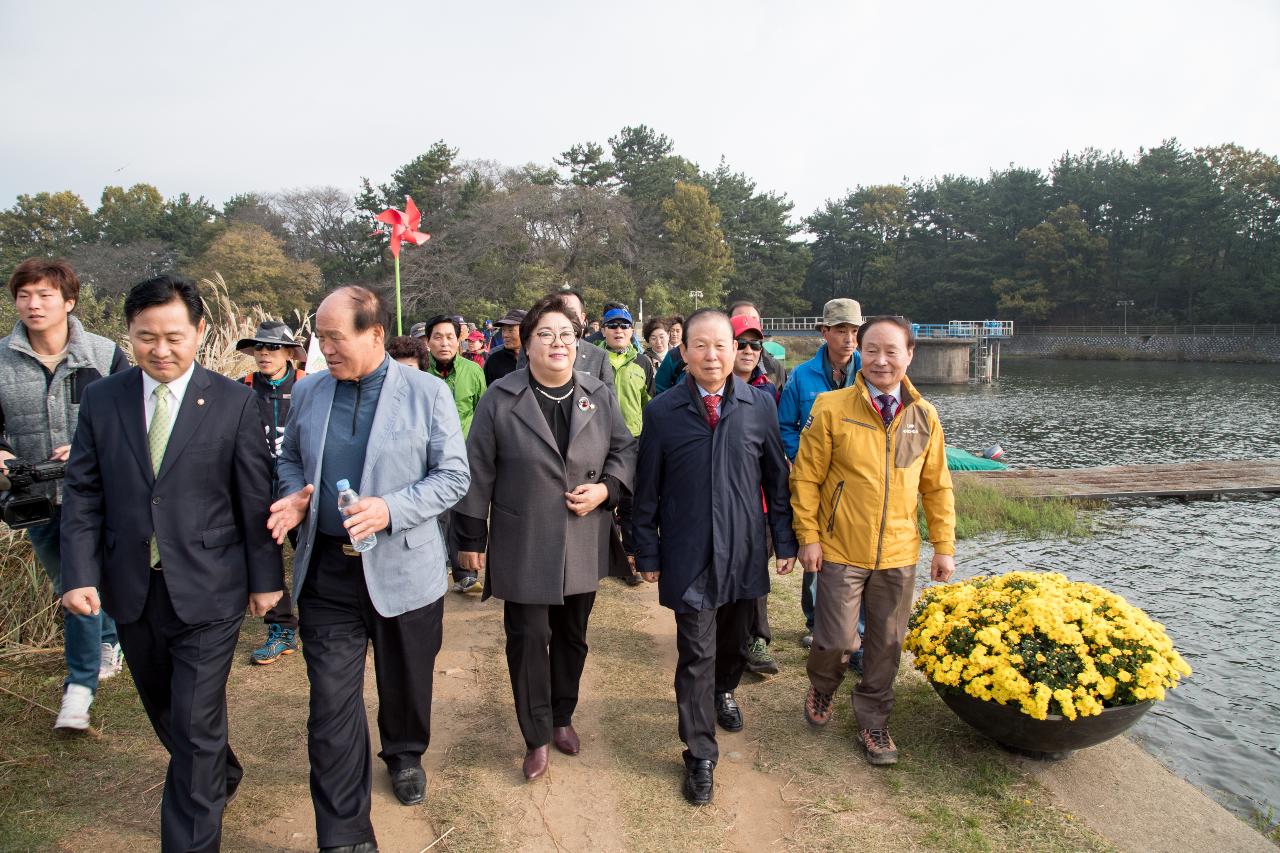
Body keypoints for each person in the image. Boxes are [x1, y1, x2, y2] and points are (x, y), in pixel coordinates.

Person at [60, 275, 283, 851]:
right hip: (131, 586)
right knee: (167, 709)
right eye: (145, 338)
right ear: (128, 335)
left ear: (200, 331)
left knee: (193, 721)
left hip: (209, 587)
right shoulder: (103, 400)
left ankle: (189, 841)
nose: (161, 350)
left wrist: (266, 582)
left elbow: (253, 498)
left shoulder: (234, 402)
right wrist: (79, 572)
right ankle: (219, 771)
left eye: (174, 337)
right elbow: (84, 492)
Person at [268, 286, 469, 852]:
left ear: (374, 333)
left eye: (336, 337)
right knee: (331, 707)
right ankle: (345, 834)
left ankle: (405, 753)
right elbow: (288, 457)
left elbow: (454, 477)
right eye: (320, 336)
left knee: (406, 680)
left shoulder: (426, 393)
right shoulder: (308, 392)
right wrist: (299, 495)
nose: (324, 348)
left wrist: (390, 509)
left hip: (405, 569)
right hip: (329, 573)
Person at [455, 294, 636, 781]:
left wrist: (606, 489)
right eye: (546, 335)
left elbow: (624, 449)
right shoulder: (502, 397)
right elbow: (478, 469)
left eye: (567, 335)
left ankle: (562, 716)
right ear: (527, 345)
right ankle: (535, 735)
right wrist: (471, 536)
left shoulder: (597, 393)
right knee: (529, 637)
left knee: (573, 636)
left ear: (578, 343)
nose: (558, 343)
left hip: (582, 535)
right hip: (524, 537)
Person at [632, 309, 797, 805]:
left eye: (721, 346)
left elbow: (775, 480)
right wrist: (646, 548)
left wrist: (783, 539)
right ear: (684, 353)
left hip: (744, 551)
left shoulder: (758, 405)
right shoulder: (663, 411)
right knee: (696, 654)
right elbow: (646, 491)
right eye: (700, 346)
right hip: (689, 555)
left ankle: (727, 689)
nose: (712, 355)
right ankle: (700, 753)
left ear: (736, 352)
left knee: (732, 647)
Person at [791, 315, 956, 766]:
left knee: (886, 644)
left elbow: (936, 486)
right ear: (860, 351)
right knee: (837, 640)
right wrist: (809, 536)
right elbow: (806, 478)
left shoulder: (923, 416)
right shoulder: (831, 406)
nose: (882, 360)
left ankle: (874, 722)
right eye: (873, 350)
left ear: (910, 355)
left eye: (892, 351)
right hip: (841, 547)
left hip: (899, 553)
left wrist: (943, 546)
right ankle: (823, 688)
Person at [0, 258, 129, 731]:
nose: (33, 305)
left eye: (45, 295)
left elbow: (131, 421)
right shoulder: (1, 361)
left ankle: (79, 688)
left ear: (69, 302)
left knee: (82, 585)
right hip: (31, 497)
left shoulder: (104, 353)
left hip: (97, 495)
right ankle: (108, 641)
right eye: (24, 296)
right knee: (68, 584)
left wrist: (85, 445)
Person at [777, 297, 864, 649]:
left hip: (858, 480)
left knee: (856, 551)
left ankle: (856, 628)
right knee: (814, 545)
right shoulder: (801, 376)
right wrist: (804, 458)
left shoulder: (868, 371)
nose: (849, 338)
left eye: (854, 331)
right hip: (815, 480)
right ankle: (814, 620)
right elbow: (784, 426)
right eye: (841, 330)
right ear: (825, 332)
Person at [235, 320, 308, 667]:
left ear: (290, 352)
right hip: (258, 489)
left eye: (273, 347)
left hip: (302, 489)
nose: (265, 353)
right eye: (259, 348)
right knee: (268, 558)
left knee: (312, 554)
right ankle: (280, 630)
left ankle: (326, 619)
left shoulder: (310, 386)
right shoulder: (242, 388)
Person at [728, 313, 781, 677]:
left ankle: (757, 637)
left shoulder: (768, 391)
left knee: (755, 570)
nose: (749, 350)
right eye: (741, 343)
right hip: (719, 500)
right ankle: (729, 637)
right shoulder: (708, 387)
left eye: (755, 344)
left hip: (757, 501)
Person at [421, 315, 487, 594]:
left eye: (449, 337)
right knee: (435, 516)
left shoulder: (473, 372)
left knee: (465, 513)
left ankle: (464, 573)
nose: (444, 343)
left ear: (459, 339)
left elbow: (482, 413)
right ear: (427, 342)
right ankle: (433, 570)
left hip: (464, 457)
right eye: (438, 337)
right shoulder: (420, 375)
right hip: (428, 459)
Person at [594, 306, 653, 587]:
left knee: (630, 503)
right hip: (596, 440)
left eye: (624, 326)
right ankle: (600, 557)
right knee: (601, 502)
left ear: (632, 331)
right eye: (613, 325)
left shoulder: (643, 362)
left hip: (632, 441)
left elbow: (648, 402)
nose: (619, 331)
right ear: (603, 330)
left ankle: (630, 558)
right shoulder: (592, 359)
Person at [520, 289, 614, 391]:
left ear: (582, 318)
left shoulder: (599, 356)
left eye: (571, 311)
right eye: (546, 334)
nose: (564, 314)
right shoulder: (502, 398)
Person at [728, 301, 787, 390]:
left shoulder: (775, 369)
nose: (747, 322)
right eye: (741, 343)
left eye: (753, 319)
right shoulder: (712, 373)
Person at [483, 308, 524, 386]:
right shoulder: (493, 360)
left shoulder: (537, 359)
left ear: (526, 330)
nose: (505, 335)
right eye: (503, 330)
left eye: (510, 330)